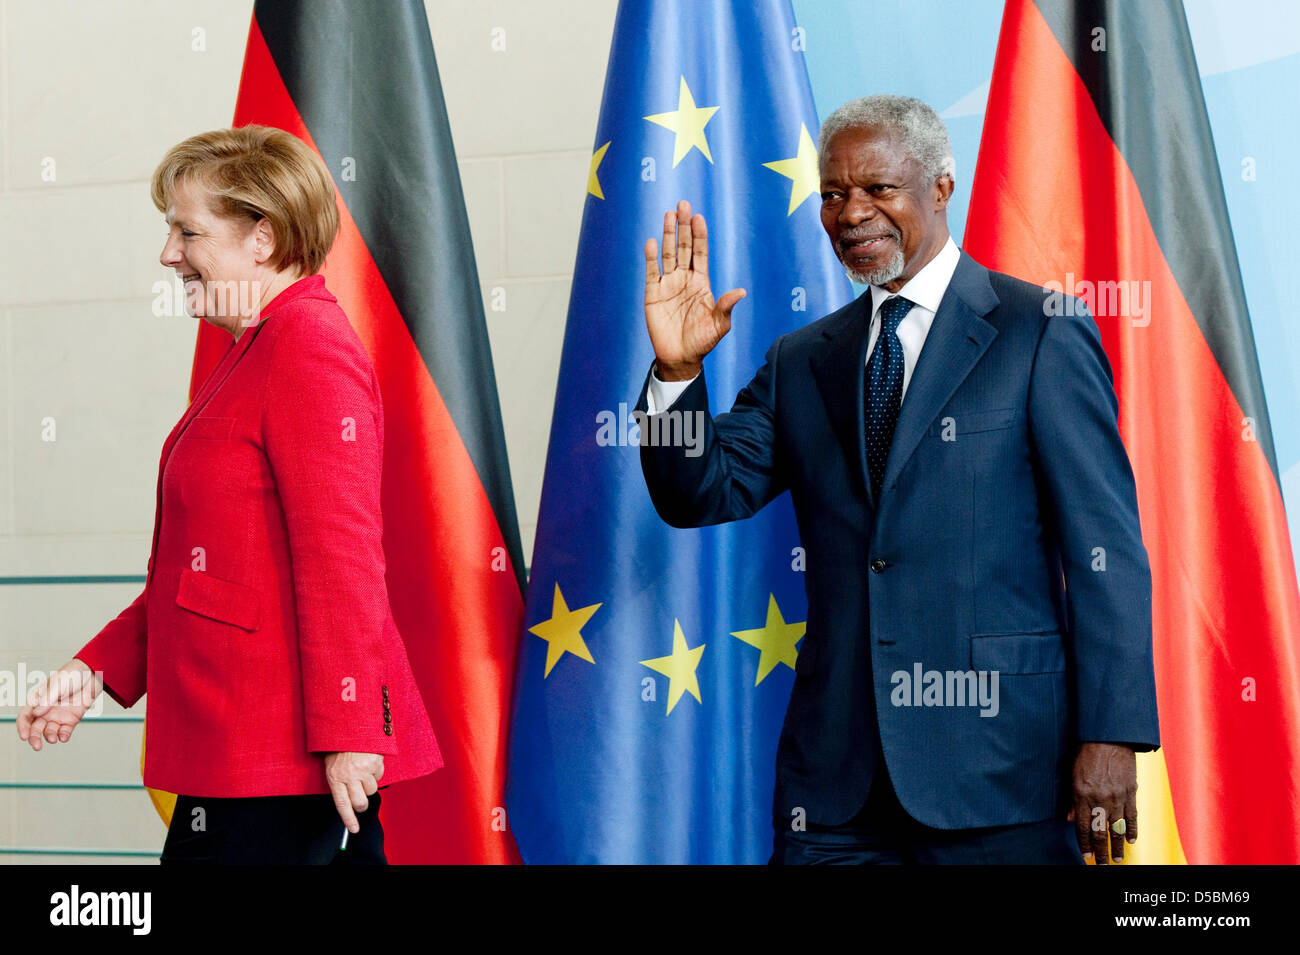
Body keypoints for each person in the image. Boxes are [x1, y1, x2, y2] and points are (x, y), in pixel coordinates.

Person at [637, 95, 1160, 864]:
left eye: (878, 189)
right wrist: (678, 375)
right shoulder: (802, 360)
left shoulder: (1040, 329)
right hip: (835, 793)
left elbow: (1105, 553)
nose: (852, 212)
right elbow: (697, 493)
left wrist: (1111, 737)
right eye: (834, 193)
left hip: (1000, 778)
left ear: (941, 188)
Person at [15, 126, 442, 864]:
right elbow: (202, 574)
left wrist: (349, 735)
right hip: (239, 757)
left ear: (263, 238)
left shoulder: (307, 343)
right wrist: (95, 669)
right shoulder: (253, 348)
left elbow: (341, 558)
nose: (168, 253)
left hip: (288, 765)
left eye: (187, 230)